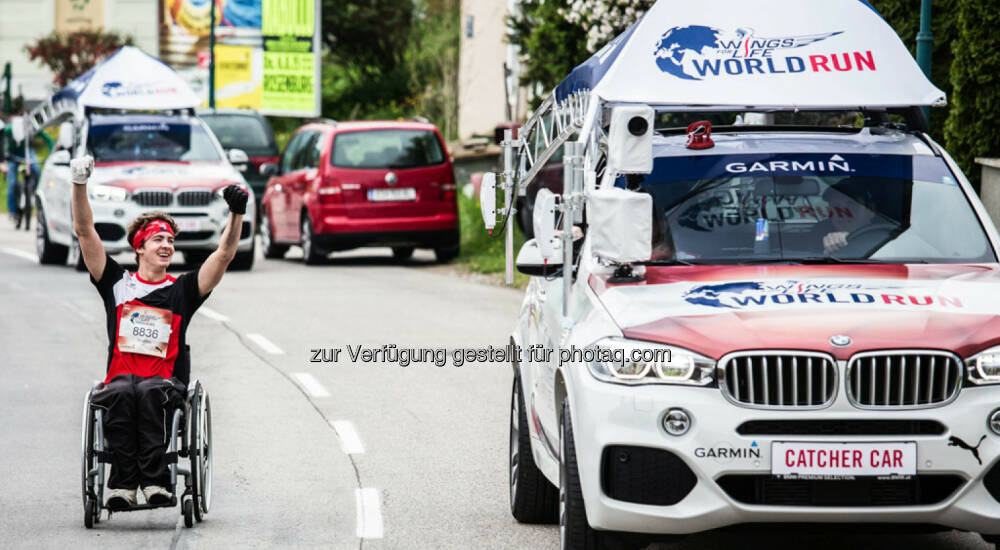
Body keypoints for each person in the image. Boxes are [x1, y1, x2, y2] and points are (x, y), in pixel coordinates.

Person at [70, 155, 249, 509]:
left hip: (165, 380)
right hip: (122, 375)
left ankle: (155, 482)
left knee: (149, 391)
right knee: (121, 391)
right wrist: (79, 183)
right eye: (158, 240)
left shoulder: (183, 289)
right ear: (139, 247)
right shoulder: (117, 283)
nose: (167, 245)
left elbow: (225, 255)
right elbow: (84, 232)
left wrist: (236, 214)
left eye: (170, 240)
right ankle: (121, 486)